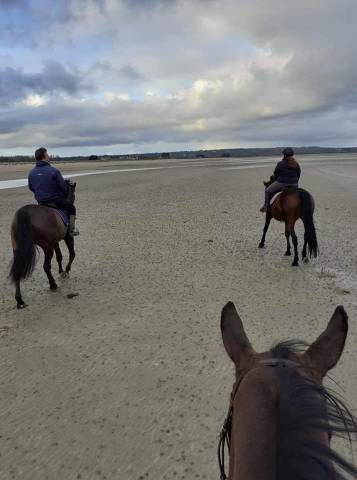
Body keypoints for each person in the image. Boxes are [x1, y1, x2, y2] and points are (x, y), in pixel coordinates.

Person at [28, 147, 79, 236]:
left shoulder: (31, 172)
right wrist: (63, 195)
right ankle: (71, 230)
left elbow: (31, 187)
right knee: (72, 208)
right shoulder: (54, 171)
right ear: (44, 157)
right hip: (55, 200)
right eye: (47, 155)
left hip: (40, 201)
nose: (49, 156)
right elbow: (63, 187)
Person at [260, 147, 301, 212]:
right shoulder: (296, 164)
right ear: (292, 155)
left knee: (267, 191)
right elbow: (298, 174)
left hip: (282, 183)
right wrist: (294, 182)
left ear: (284, 155)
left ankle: (266, 206)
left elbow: (276, 173)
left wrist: (277, 179)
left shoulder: (280, 163)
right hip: (294, 184)